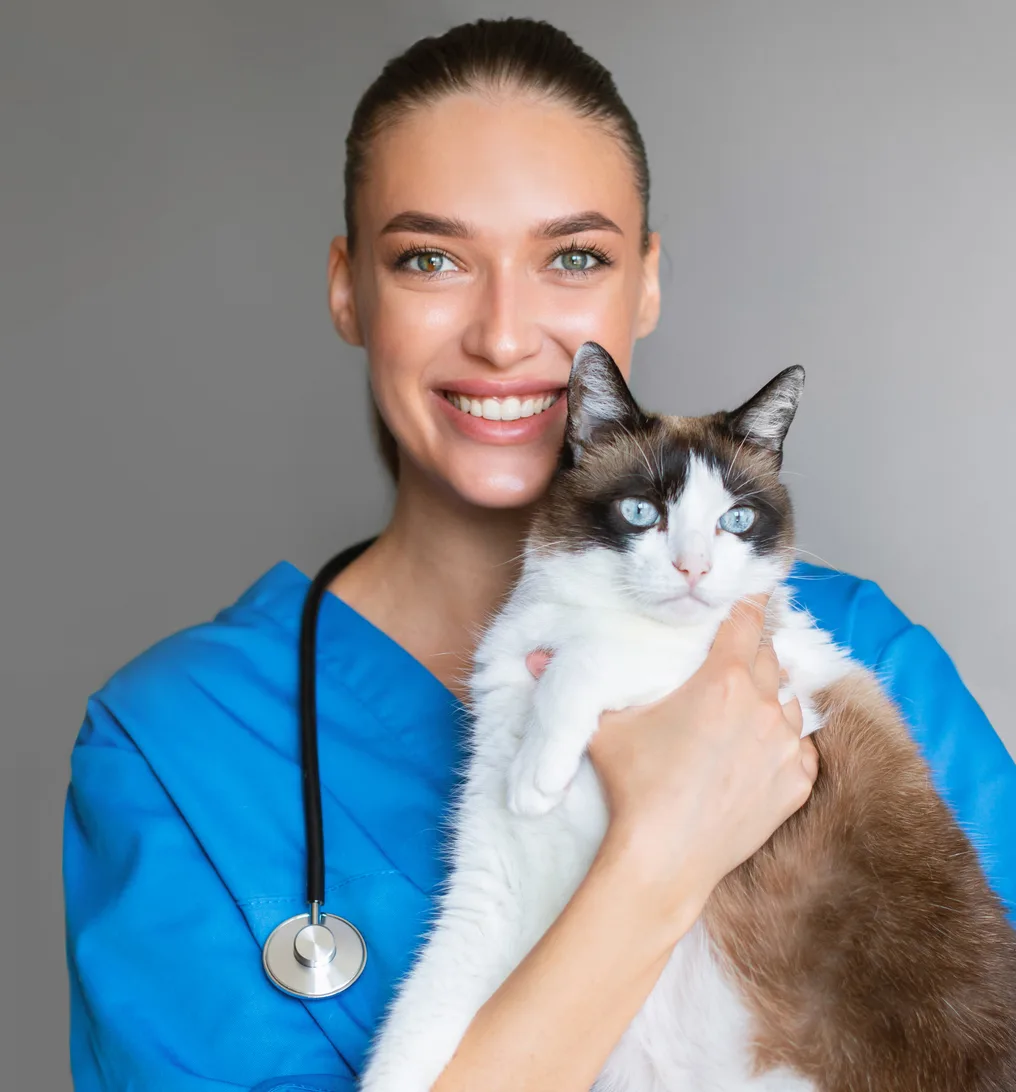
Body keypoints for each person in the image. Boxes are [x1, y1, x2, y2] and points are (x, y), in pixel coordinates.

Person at [63, 17, 1016, 1092]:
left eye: (573, 257)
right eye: (429, 258)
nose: (506, 335)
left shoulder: (860, 663)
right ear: (346, 289)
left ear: (644, 284)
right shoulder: (176, 747)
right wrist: (655, 861)